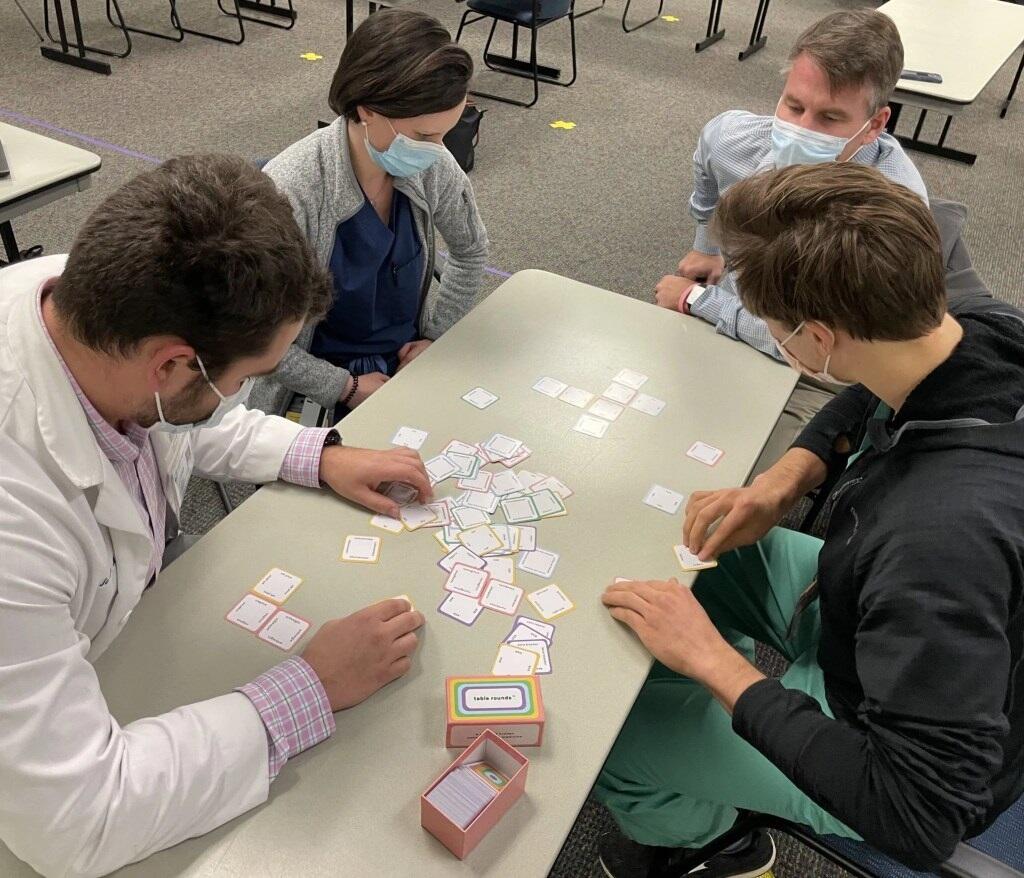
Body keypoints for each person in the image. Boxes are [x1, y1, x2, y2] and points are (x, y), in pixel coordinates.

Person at [0, 154, 435, 878]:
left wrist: (313, 454)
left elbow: (183, 422)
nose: (241, 394)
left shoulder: (93, 301)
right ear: (172, 366)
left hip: (122, 616)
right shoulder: (14, 518)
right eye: (245, 377)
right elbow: (72, 822)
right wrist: (311, 688)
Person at [596, 164, 1024, 878]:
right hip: (870, 612)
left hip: (889, 749)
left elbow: (914, 814)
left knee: (614, 744)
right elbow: (871, 397)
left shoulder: (939, 543)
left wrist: (716, 665)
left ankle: (716, 849)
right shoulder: (977, 328)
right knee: (695, 543)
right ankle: (708, 715)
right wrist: (779, 481)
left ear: (819, 341)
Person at [653, 9, 928, 474]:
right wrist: (707, 246)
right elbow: (707, 167)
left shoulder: (883, 218)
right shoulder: (735, 138)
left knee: (712, 476)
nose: (803, 128)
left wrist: (697, 300)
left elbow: (820, 347)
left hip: (817, 370)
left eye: (830, 117)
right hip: (742, 315)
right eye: (793, 106)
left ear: (876, 123)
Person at [252, 9, 489, 423]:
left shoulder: (431, 164)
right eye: (424, 136)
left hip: (404, 363)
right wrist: (345, 386)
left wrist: (436, 335)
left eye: (446, 134)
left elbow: (470, 252)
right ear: (366, 110)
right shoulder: (293, 190)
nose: (439, 152)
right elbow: (255, 341)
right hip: (314, 383)